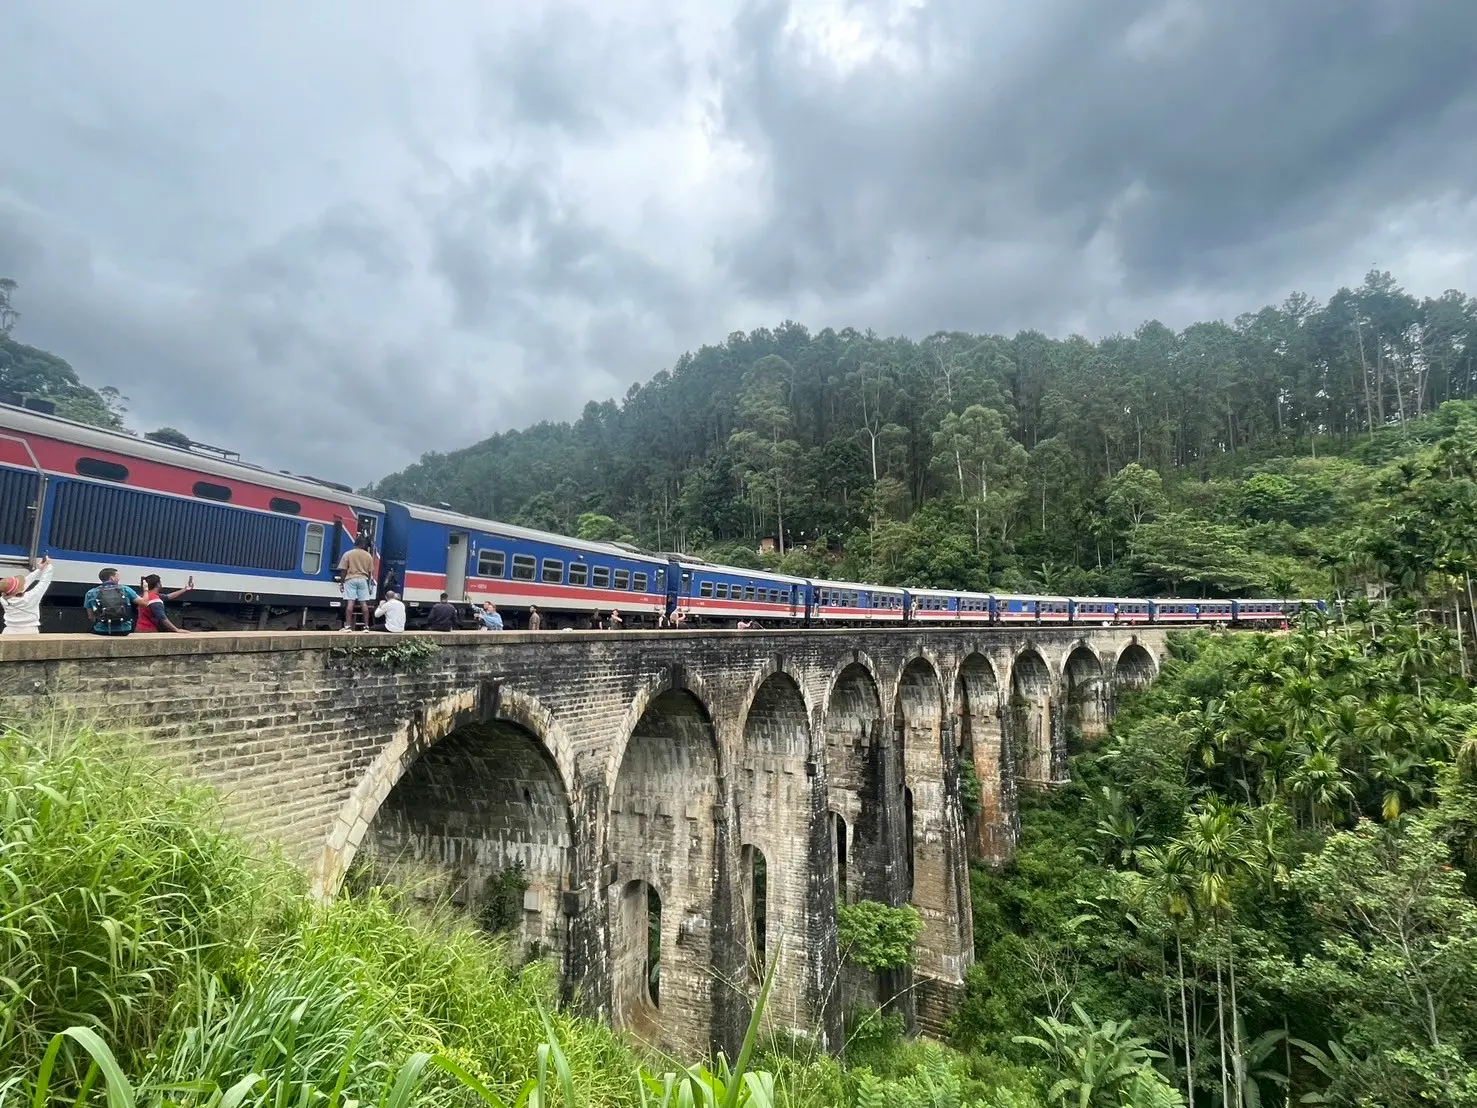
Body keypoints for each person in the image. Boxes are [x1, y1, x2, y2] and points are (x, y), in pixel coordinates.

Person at [1, 555, 54, 635]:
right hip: (29, 632)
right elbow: (45, 582)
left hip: (8, 632)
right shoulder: (30, 597)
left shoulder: (3, 599)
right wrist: (49, 566)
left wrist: (39, 569)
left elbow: (23, 584)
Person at [337, 535, 376, 632]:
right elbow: (371, 571)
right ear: (363, 545)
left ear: (355, 543)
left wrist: (342, 582)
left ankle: (347, 626)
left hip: (351, 579)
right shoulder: (368, 556)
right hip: (363, 579)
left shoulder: (348, 554)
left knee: (350, 603)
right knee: (364, 603)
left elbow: (343, 570)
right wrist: (369, 583)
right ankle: (366, 626)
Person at [84, 568, 140, 636]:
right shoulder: (125, 589)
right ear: (112, 578)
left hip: (101, 631)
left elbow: (91, 617)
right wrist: (146, 589)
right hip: (124, 630)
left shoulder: (90, 593)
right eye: (117, 576)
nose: (119, 579)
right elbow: (144, 603)